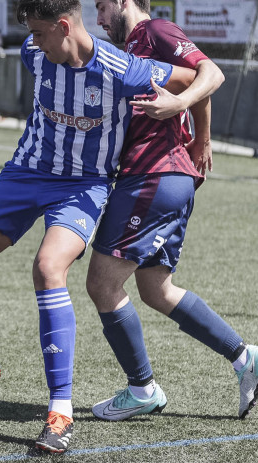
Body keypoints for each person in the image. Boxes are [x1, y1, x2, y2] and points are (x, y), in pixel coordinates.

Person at [0, 0, 197, 454]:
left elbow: (190, 78)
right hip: (24, 175)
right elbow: (36, 55)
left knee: (48, 268)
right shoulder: (34, 54)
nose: (32, 42)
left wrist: (180, 109)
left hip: (84, 186)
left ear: (63, 25)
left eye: (38, 32)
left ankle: (60, 411)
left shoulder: (124, 66)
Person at [87, 0, 257, 422]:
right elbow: (188, 81)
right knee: (156, 290)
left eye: (103, 7)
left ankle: (142, 388)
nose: (99, 18)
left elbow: (210, 74)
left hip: (153, 175)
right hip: (163, 177)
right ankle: (245, 358)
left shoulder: (156, 31)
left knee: (102, 284)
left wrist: (192, 124)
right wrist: (200, 135)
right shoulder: (129, 49)